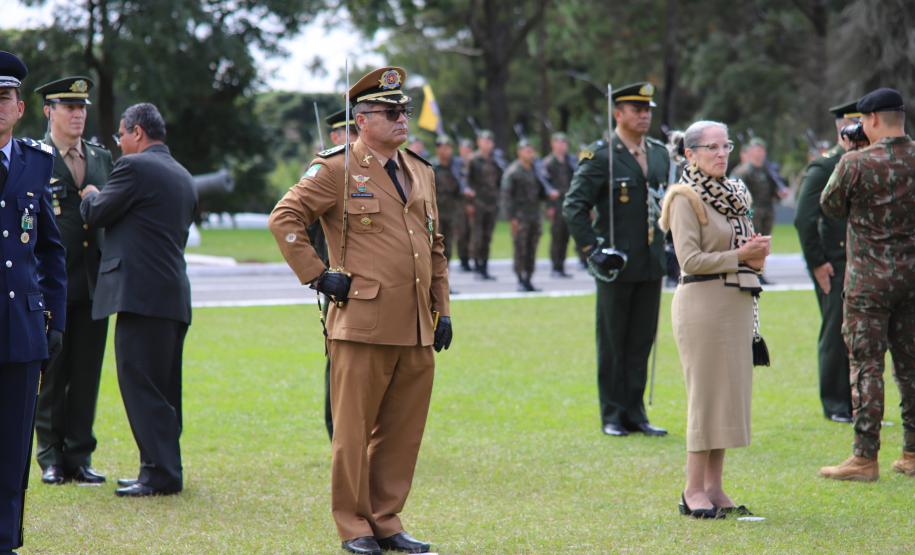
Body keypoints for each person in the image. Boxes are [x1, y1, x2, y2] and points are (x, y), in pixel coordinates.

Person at [268, 66, 452, 555]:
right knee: (353, 435)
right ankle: (353, 525)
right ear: (362, 119)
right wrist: (316, 273)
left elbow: (434, 246)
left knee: (401, 432)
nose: (401, 120)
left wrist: (443, 309)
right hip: (362, 323)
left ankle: (386, 520)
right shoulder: (336, 168)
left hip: (415, 325)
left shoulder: (420, 169)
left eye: (404, 111)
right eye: (390, 113)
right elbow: (284, 216)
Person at [79, 102, 197, 497]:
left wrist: (91, 192)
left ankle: (160, 474)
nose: (120, 144)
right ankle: (160, 467)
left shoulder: (135, 167)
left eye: (121, 136)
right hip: (172, 295)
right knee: (164, 388)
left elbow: (99, 211)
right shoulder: (181, 173)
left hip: (141, 296)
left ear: (137, 133)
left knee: (140, 384)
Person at [660, 120, 771, 518]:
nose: (722, 154)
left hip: (736, 301)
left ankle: (715, 487)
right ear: (690, 154)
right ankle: (692, 490)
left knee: (728, 397)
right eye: (712, 147)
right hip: (702, 304)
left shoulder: (735, 194)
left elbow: (737, 249)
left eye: (726, 146)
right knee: (706, 397)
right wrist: (740, 256)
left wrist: (754, 251)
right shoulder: (683, 199)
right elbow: (688, 259)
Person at [819, 87, 915, 481]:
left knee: (866, 365)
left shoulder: (856, 163)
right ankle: (911, 452)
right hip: (911, 279)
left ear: (872, 119)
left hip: (868, 282)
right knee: (911, 368)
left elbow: (830, 206)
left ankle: (864, 457)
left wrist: (849, 158)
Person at [563, 82, 669, 437]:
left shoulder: (658, 153)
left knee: (642, 341)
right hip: (616, 265)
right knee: (613, 342)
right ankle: (612, 414)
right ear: (617, 113)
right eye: (636, 109)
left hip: (651, 263)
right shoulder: (601, 155)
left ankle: (636, 413)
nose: (644, 115)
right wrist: (593, 249)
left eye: (648, 109)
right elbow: (574, 206)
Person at [0, 50, 67, 554]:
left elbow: (50, 249)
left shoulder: (36, 162)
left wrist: (56, 319)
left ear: (20, 106)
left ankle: (6, 538)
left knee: (14, 443)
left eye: (4, 98)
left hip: (22, 329)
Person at [32, 76, 112, 485]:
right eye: (69, 107)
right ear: (49, 111)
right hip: (51, 286)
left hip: (95, 284)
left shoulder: (100, 157)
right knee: (51, 373)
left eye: (82, 107)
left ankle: (80, 456)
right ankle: (49, 455)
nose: (78, 114)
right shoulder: (35, 157)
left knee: (86, 374)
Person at [793, 100, 860, 424]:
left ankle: (859, 401)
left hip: (866, 260)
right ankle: (836, 403)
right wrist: (817, 263)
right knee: (836, 334)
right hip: (836, 262)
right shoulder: (825, 167)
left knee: (863, 335)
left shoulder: (867, 161)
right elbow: (804, 219)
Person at [316, 107, 360, 442]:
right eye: (347, 132)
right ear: (334, 136)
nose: (353, 139)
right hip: (339, 284)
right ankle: (338, 433)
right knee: (340, 359)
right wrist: (320, 273)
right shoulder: (326, 170)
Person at [502, 139, 557, 291]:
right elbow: (507, 197)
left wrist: (548, 198)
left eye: (531, 150)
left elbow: (541, 192)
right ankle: (520, 279)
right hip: (520, 217)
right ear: (519, 152)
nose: (530, 153)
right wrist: (511, 218)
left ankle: (529, 278)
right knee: (521, 248)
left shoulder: (536, 170)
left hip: (534, 215)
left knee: (532, 247)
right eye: (527, 150)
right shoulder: (513, 172)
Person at [729, 138, 787, 237]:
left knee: (765, 240)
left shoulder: (769, 170)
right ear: (751, 152)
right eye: (757, 150)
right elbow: (735, 193)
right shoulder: (742, 171)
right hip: (751, 210)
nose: (760, 153)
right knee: (752, 238)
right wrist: (747, 214)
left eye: (762, 150)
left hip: (768, 210)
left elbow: (773, 189)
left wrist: (779, 194)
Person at [466, 129, 502, 280]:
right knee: (477, 236)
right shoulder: (473, 160)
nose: (487, 144)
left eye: (489, 141)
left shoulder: (495, 161)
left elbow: (500, 181)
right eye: (484, 141)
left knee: (487, 236)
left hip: (491, 204)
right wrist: (469, 203)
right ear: (479, 142)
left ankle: (485, 267)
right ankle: (477, 267)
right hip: (477, 203)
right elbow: (466, 182)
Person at [541, 132, 578, 278]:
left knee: (566, 236)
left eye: (564, 143)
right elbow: (544, 186)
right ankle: (555, 267)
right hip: (556, 205)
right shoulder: (548, 163)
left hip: (568, 204)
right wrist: (549, 206)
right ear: (553, 144)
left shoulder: (570, 161)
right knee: (556, 236)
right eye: (559, 143)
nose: (562, 146)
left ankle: (562, 266)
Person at [431, 134, 464, 265]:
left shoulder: (455, 167)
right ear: (437, 149)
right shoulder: (431, 167)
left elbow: (460, 189)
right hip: (435, 213)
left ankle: (445, 280)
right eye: (442, 147)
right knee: (434, 246)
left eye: (448, 147)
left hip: (452, 212)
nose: (445, 150)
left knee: (448, 246)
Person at [456, 137, 475, 272]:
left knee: (472, 233)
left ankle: (471, 258)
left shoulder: (474, 164)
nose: (467, 151)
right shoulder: (456, 165)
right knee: (462, 233)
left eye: (469, 148)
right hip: (459, 205)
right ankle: (463, 260)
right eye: (464, 148)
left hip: (474, 204)